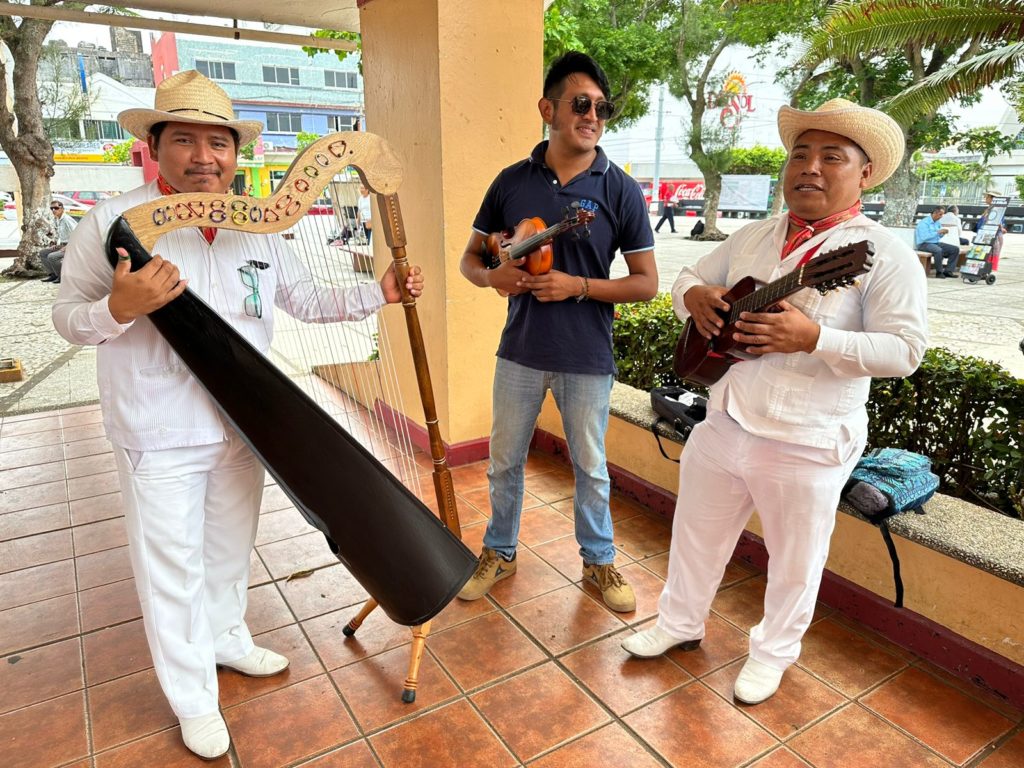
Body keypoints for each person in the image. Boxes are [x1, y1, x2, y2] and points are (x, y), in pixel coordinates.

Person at [51, 71, 423, 760]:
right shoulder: (112, 224)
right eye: (184, 140)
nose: (203, 157)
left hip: (246, 422)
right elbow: (66, 318)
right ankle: (193, 698)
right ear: (154, 145)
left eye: (218, 142)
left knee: (228, 547)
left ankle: (226, 638)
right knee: (171, 567)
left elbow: (305, 300)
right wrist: (117, 309)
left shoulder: (258, 223)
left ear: (235, 152)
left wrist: (380, 293)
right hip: (157, 427)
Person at [621, 98, 927, 705]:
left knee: (794, 562)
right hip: (725, 420)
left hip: (808, 441)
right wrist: (696, 297)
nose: (809, 167)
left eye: (831, 157)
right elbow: (686, 279)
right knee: (695, 536)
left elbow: (906, 350)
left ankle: (772, 654)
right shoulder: (755, 234)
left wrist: (815, 338)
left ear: (865, 174)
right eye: (800, 154)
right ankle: (679, 622)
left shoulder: (882, 253)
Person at [457, 51, 657, 612]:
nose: (592, 116)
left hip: (586, 354)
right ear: (548, 109)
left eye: (602, 108)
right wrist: (492, 276)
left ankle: (599, 561)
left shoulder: (619, 189)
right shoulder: (511, 181)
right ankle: (500, 551)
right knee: (504, 461)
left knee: (590, 467)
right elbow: (471, 259)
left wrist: (578, 286)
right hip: (519, 350)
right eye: (581, 104)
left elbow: (646, 283)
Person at [39, 200, 77, 283]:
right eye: (51, 208)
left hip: (72, 246)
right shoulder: (57, 219)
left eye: (56, 208)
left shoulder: (67, 219)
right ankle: (53, 275)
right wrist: (55, 243)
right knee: (43, 253)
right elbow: (59, 234)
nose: (53, 210)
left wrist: (67, 246)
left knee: (52, 257)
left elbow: (77, 233)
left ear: (62, 209)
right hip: (62, 245)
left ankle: (62, 277)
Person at [915, 206, 959, 277]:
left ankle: (948, 271)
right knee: (938, 250)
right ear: (935, 213)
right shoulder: (924, 223)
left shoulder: (937, 222)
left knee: (955, 249)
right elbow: (924, 237)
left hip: (935, 243)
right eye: (940, 214)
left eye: (942, 214)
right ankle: (939, 272)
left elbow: (938, 236)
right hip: (923, 244)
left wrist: (942, 233)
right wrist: (938, 232)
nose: (941, 216)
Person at [978, 188, 1008, 269]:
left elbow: (996, 221)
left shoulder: (995, 209)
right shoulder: (991, 208)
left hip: (994, 234)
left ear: (992, 198)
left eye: (987, 196)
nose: (986, 198)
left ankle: (988, 269)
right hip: (990, 233)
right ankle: (986, 268)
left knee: (991, 252)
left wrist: (1001, 228)